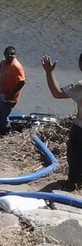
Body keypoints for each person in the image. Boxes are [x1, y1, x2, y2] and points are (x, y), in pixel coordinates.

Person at [42, 52, 82, 190]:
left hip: (80, 128)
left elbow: (57, 93)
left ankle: (73, 183)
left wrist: (49, 72)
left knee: (74, 156)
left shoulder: (80, 86)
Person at [0, 45, 25, 135]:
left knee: (4, 116)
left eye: (12, 54)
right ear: (4, 54)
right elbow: (2, 74)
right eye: (8, 54)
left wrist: (11, 93)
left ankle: (5, 132)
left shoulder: (16, 67)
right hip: (1, 93)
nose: (10, 56)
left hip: (10, 97)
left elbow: (22, 82)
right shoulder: (3, 63)